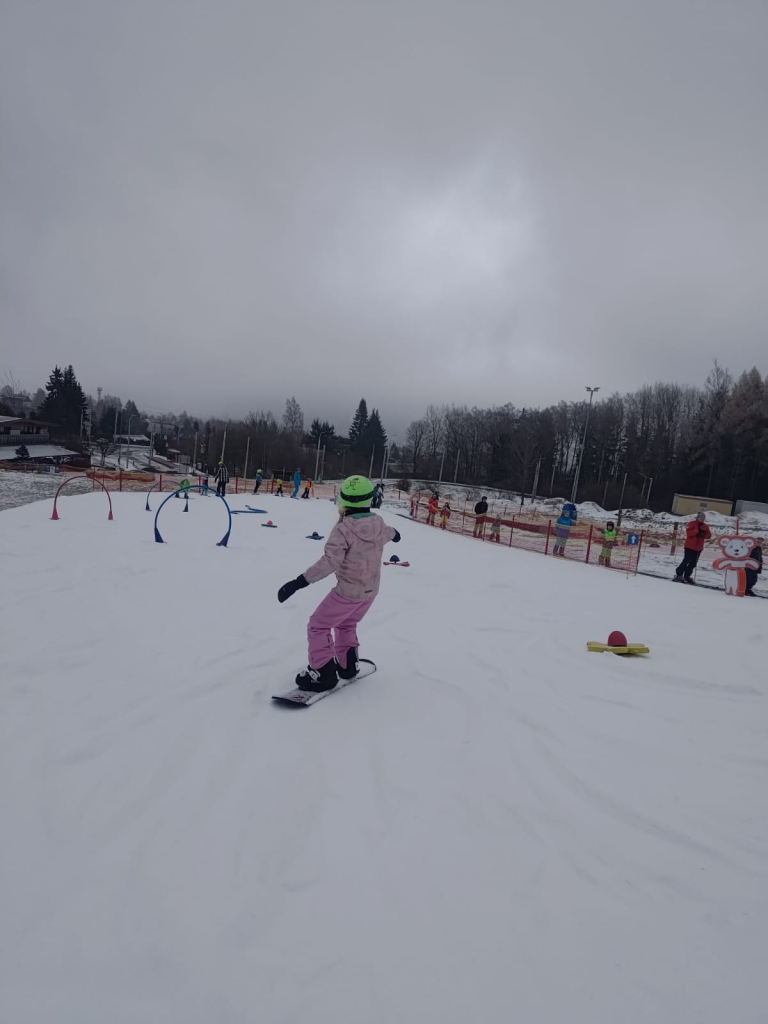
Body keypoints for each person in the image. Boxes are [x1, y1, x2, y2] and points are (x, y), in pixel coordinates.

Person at [277, 475, 401, 691]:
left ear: (343, 501)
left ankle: (322, 673)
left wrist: (299, 582)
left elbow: (329, 562)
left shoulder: (344, 529)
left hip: (348, 592)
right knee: (346, 623)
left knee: (318, 625)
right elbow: (390, 533)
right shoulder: (378, 522)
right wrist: (396, 534)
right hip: (370, 592)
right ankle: (348, 665)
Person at [674, 511, 711, 583]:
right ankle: (679, 574)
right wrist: (697, 531)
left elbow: (709, 535)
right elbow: (689, 533)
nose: (702, 519)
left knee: (693, 563)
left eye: (703, 517)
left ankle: (687, 575)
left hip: (698, 548)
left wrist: (703, 534)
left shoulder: (705, 526)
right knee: (686, 561)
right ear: (697, 517)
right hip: (690, 546)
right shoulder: (691, 524)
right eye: (701, 517)